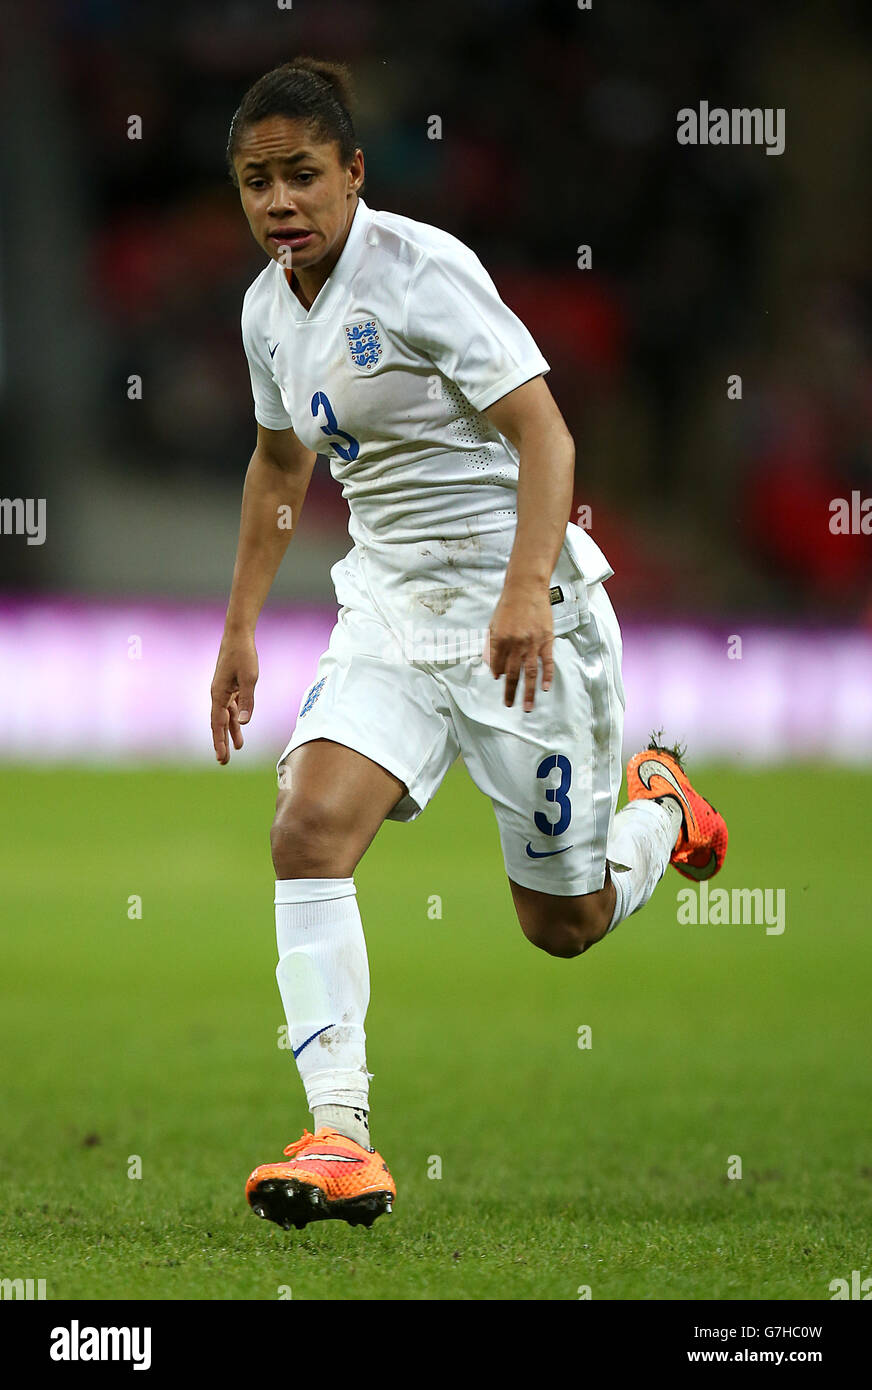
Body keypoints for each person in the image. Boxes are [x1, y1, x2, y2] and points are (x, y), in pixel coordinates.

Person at [210, 56, 728, 1232]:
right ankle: (340, 1132)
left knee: (564, 924)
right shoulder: (264, 307)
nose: (279, 202)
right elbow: (281, 463)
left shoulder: (424, 273)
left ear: (352, 172)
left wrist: (523, 592)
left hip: (517, 615)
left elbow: (545, 438)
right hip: (391, 608)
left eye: (301, 175)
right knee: (305, 827)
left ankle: (659, 809)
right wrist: (239, 625)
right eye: (255, 182)